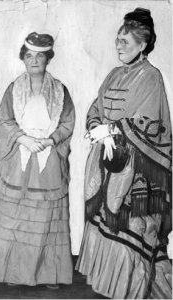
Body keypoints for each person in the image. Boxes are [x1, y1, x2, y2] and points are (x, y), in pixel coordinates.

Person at [76, 8, 172, 299]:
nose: (118, 45)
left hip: (136, 169)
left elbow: (149, 123)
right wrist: (96, 126)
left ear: (142, 45)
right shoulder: (115, 73)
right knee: (106, 224)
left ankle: (131, 291)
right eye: (117, 39)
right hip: (109, 161)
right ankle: (109, 288)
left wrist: (112, 130)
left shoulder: (151, 77)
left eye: (125, 41)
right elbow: (96, 107)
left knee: (132, 227)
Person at [0, 32, 75, 289]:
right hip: (19, 157)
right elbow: (3, 120)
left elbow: (67, 123)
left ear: (48, 58)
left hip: (47, 159)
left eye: (40, 56)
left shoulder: (60, 90)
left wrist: (49, 141)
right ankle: (15, 273)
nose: (34, 60)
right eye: (29, 56)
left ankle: (50, 275)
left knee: (47, 216)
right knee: (16, 214)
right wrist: (23, 139)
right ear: (23, 59)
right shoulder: (14, 88)